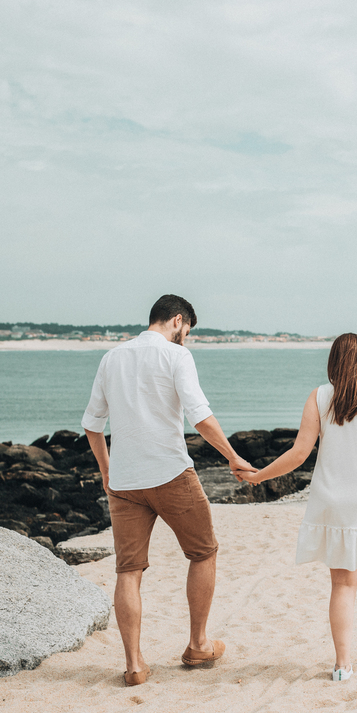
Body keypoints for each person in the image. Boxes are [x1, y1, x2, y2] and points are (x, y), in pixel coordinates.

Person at [82, 294, 255, 687]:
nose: (186, 338)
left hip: (125, 483)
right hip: (171, 474)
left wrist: (107, 472)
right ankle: (198, 645)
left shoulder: (112, 358)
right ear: (177, 321)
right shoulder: (177, 356)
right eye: (187, 331)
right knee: (204, 551)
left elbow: (92, 425)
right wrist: (232, 456)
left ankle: (134, 665)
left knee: (128, 570)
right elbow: (200, 417)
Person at [241, 333, 357, 682]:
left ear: (334, 362)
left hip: (334, 504)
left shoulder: (320, 397)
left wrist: (259, 475)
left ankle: (342, 665)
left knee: (342, 583)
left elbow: (299, 454)